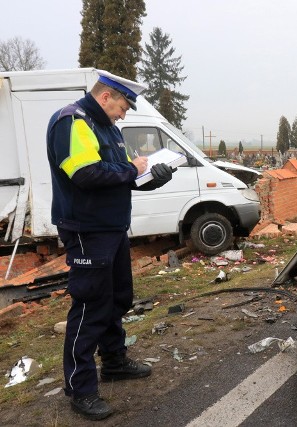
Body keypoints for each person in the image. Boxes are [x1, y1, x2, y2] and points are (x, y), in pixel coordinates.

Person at [46, 70, 174, 420]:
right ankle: (81, 388)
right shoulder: (72, 122)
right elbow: (85, 174)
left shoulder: (109, 129)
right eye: (123, 105)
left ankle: (114, 361)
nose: (124, 113)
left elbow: (123, 178)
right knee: (90, 307)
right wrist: (132, 171)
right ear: (105, 98)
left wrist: (154, 177)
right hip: (88, 231)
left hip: (112, 228)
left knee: (117, 298)